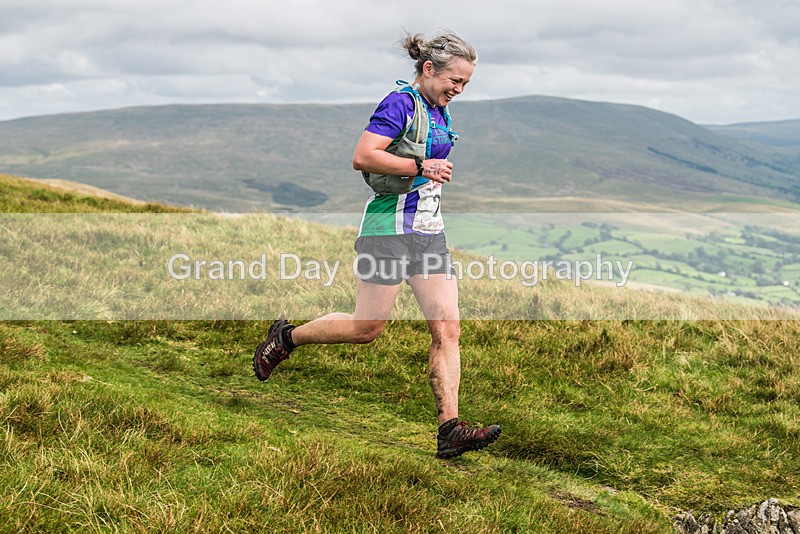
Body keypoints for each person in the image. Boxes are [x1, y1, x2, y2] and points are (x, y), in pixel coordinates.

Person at [254, 30, 501, 459]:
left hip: (429, 233)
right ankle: (287, 337)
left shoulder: (437, 110)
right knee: (365, 329)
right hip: (387, 230)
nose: (459, 90)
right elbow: (363, 155)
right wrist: (421, 165)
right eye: (455, 81)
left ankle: (450, 430)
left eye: (465, 83)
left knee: (447, 329)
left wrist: (427, 171)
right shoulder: (400, 103)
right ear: (429, 69)